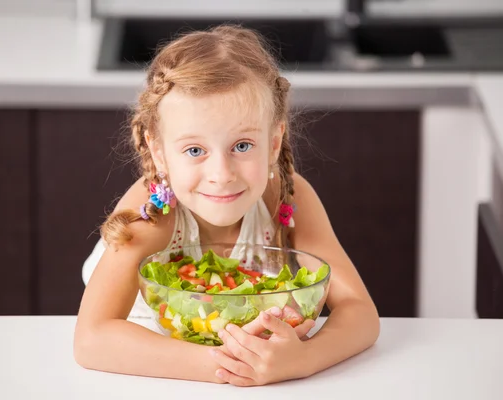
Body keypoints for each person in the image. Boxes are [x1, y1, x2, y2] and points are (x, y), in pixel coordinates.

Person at [74, 24, 380, 386]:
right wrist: (236, 365)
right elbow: (92, 340)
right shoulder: (155, 210)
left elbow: (361, 313)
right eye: (194, 150)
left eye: (242, 146)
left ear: (274, 141)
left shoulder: (287, 197)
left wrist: (303, 360)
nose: (221, 174)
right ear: (159, 152)